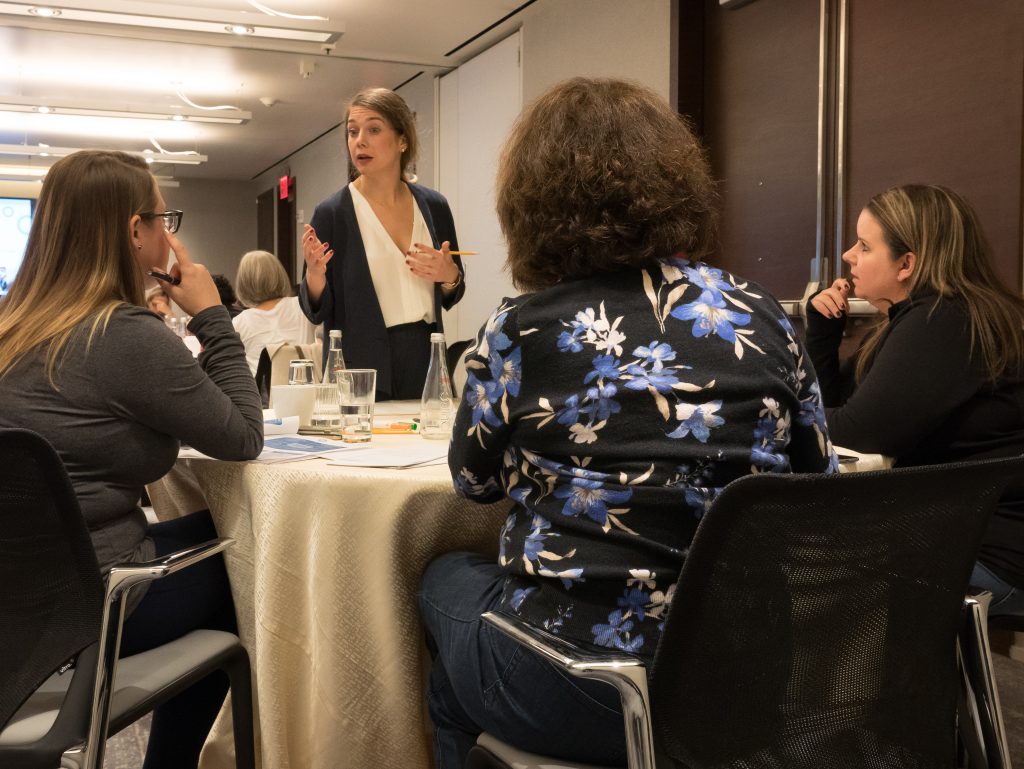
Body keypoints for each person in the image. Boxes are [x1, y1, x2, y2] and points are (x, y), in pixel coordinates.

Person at [417, 77, 838, 768]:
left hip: (581, 683)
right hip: (744, 682)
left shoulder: (519, 329)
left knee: (441, 583)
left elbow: (472, 482)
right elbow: (819, 485)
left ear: (530, 206)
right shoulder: (763, 314)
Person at [0, 150, 263, 769]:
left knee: (212, 534)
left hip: (15, 602)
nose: (168, 235)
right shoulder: (121, 334)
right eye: (160, 219)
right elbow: (243, 434)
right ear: (132, 231)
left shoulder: (12, 328)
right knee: (248, 553)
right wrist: (212, 316)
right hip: (88, 609)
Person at [806, 183, 1024, 613]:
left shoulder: (946, 322)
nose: (849, 256)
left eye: (864, 246)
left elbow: (856, 431)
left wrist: (772, 418)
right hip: (959, 539)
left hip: (991, 558)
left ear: (907, 263)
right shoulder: (927, 318)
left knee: (793, 565)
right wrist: (823, 332)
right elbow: (843, 415)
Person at [299, 86, 465, 400]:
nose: (359, 140)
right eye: (352, 131)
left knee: (428, 444)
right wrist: (315, 277)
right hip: (362, 360)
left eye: (373, 129)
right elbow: (314, 309)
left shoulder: (435, 206)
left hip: (426, 352)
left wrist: (449, 276)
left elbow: (453, 291)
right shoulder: (333, 212)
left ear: (403, 140)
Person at [232, 249, 316, 375]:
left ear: (243, 282)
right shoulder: (303, 306)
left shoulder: (239, 323)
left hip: (261, 392)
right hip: (306, 387)